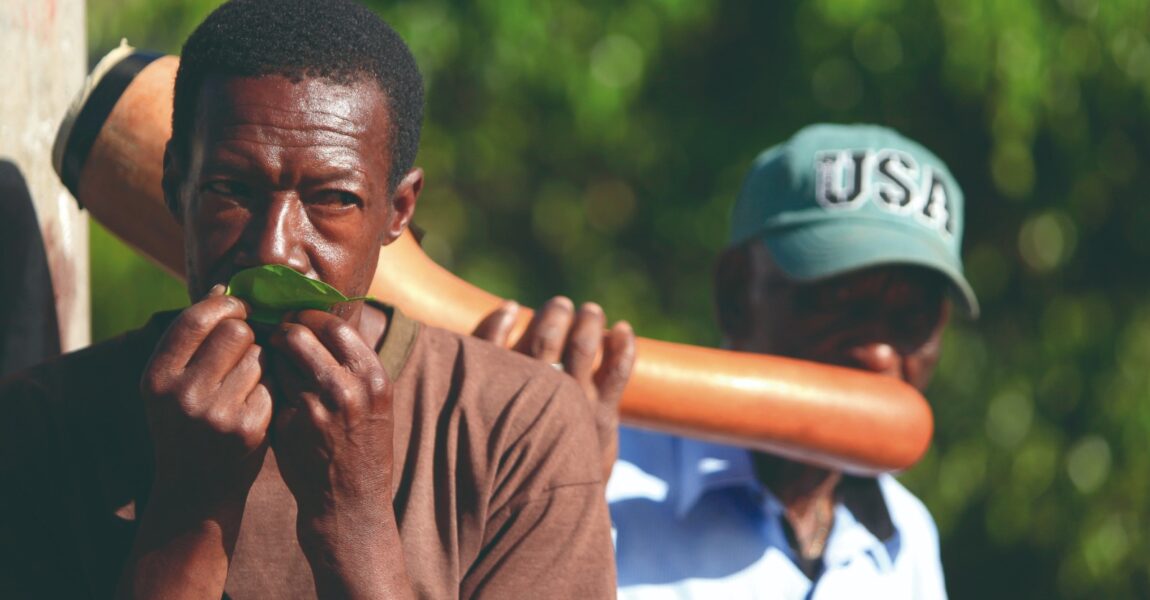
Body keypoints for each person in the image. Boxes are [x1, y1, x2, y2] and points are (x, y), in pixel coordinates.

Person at [0, 1, 628, 597]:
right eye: (229, 189)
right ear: (175, 185)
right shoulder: (39, 422)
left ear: (398, 209)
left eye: (332, 198)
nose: (274, 249)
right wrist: (190, 508)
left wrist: (354, 519)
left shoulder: (520, 425)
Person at [603, 124, 979, 598]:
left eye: (911, 316)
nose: (879, 353)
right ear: (737, 294)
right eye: (840, 299)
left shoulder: (907, 538)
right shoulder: (603, 476)